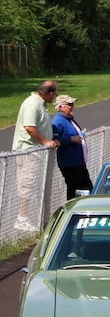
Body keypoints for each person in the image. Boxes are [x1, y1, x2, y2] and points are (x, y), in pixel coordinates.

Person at [12, 80, 59, 232]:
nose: (54, 97)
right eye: (54, 93)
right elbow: (29, 127)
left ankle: (34, 216)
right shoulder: (33, 104)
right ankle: (22, 217)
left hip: (37, 152)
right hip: (29, 151)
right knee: (28, 183)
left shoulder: (41, 104)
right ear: (50, 93)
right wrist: (45, 141)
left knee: (35, 184)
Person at [52, 95, 92, 200]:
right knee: (76, 189)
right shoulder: (57, 122)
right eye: (69, 105)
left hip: (78, 162)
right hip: (70, 163)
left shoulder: (69, 119)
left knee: (86, 188)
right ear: (60, 107)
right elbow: (54, 141)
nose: (72, 106)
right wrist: (71, 139)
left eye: (72, 104)